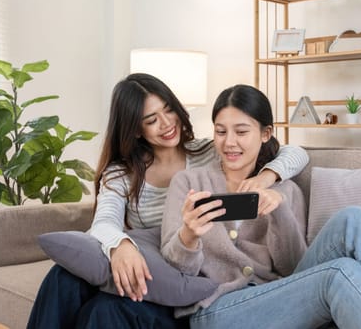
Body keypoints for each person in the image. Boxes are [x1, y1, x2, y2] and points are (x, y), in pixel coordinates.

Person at [160, 84, 361, 329]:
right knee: (337, 273)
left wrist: (278, 212)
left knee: (353, 219)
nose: (229, 143)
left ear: (265, 134)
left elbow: (294, 268)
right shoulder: (188, 183)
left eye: (241, 132)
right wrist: (189, 235)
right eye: (220, 131)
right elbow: (175, 270)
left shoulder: (285, 190)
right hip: (217, 310)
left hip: (281, 296)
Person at [27, 73, 309, 329]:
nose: (166, 124)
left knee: (106, 309)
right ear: (136, 129)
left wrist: (267, 177)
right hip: (146, 260)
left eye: (169, 110)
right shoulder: (121, 173)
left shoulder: (209, 151)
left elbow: (292, 152)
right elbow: (104, 222)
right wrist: (121, 245)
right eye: (151, 120)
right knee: (64, 278)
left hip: (181, 271)